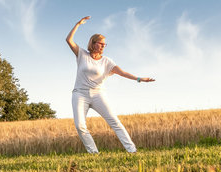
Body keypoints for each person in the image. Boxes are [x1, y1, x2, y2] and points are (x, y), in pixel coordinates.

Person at [66, 16, 155, 154]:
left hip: (98, 94)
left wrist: (139, 79)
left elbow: (122, 72)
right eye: (101, 43)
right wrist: (78, 24)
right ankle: (94, 154)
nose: (103, 46)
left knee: (114, 121)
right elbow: (69, 40)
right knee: (80, 126)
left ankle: (132, 150)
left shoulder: (107, 61)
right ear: (93, 43)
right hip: (80, 94)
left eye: (104, 44)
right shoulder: (82, 54)